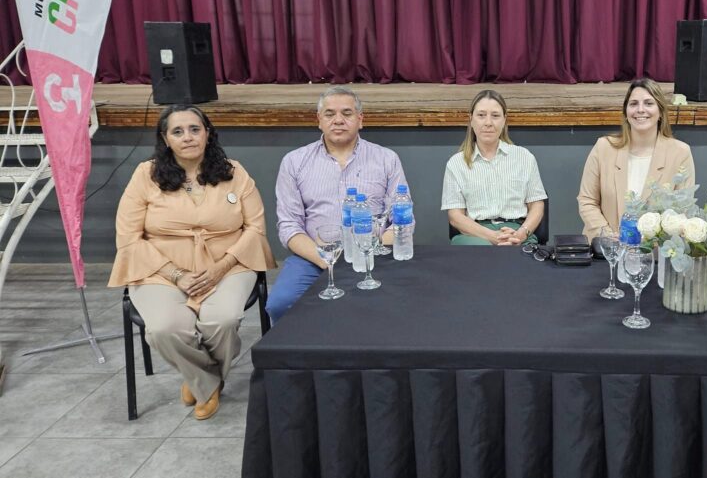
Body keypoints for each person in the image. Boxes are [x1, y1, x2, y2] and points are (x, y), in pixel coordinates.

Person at [108, 105, 276, 420]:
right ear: (165, 139)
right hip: (160, 268)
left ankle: (197, 378)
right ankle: (206, 381)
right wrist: (176, 274)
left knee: (223, 320)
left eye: (195, 129)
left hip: (229, 264)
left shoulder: (234, 172)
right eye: (178, 131)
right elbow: (128, 237)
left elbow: (255, 228)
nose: (188, 137)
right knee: (163, 329)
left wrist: (221, 268)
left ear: (207, 133)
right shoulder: (145, 175)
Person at [268, 85, 409, 322]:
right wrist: (325, 258)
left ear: (360, 120)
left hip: (373, 257)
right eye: (330, 114)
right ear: (319, 121)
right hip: (314, 257)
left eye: (347, 113)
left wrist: (367, 251)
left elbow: (403, 222)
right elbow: (289, 226)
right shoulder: (294, 162)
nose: (338, 120)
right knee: (281, 304)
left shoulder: (386, 159)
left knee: (397, 305)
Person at [577, 78, 695, 241]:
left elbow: (683, 210)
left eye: (648, 103)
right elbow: (587, 201)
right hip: (606, 247)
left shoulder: (680, 153)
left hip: (654, 250)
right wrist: (606, 234)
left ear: (661, 112)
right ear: (626, 113)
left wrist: (650, 241)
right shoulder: (603, 147)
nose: (640, 110)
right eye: (633, 104)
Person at [442, 90, 547, 245]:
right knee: (484, 253)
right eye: (481, 115)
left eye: (495, 116)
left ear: (504, 120)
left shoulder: (524, 157)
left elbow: (537, 205)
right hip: (475, 235)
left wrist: (520, 235)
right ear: (471, 119)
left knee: (524, 255)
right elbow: (455, 217)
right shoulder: (456, 163)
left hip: (517, 232)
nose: (488, 123)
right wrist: (493, 236)